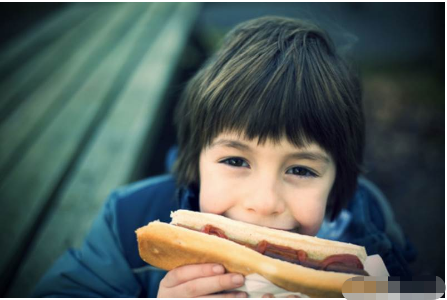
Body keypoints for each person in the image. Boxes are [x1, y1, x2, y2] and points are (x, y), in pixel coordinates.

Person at [32, 16, 416, 297]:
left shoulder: (370, 222)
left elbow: (414, 288)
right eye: (236, 161)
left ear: (338, 185)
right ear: (196, 156)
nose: (264, 203)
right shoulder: (128, 220)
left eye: (300, 169)